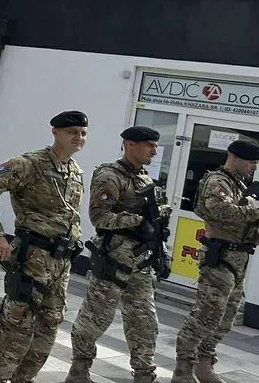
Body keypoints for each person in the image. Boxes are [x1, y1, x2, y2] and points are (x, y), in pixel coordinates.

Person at [0, 111, 86, 383]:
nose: (79, 138)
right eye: (72, 132)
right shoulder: (28, 164)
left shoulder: (75, 171)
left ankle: (24, 377)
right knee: (17, 317)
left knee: (51, 320)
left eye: (83, 133)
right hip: (32, 255)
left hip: (61, 261)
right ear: (55, 132)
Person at [66, 126, 168, 383]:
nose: (154, 151)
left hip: (141, 263)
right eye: (149, 145)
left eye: (156, 146)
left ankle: (144, 373)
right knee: (94, 319)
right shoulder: (110, 175)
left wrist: (161, 250)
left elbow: (155, 224)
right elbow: (98, 216)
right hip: (114, 261)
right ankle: (79, 370)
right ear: (130, 144)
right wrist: (136, 221)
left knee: (145, 322)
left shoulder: (145, 178)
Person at [171, 138, 259, 383]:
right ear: (235, 157)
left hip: (239, 257)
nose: (254, 166)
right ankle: (183, 369)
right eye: (251, 161)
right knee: (206, 314)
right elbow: (223, 212)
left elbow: (245, 219)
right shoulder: (217, 181)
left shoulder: (242, 185)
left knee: (225, 318)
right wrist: (255, 207)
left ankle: (204, 363)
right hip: (220, 258)